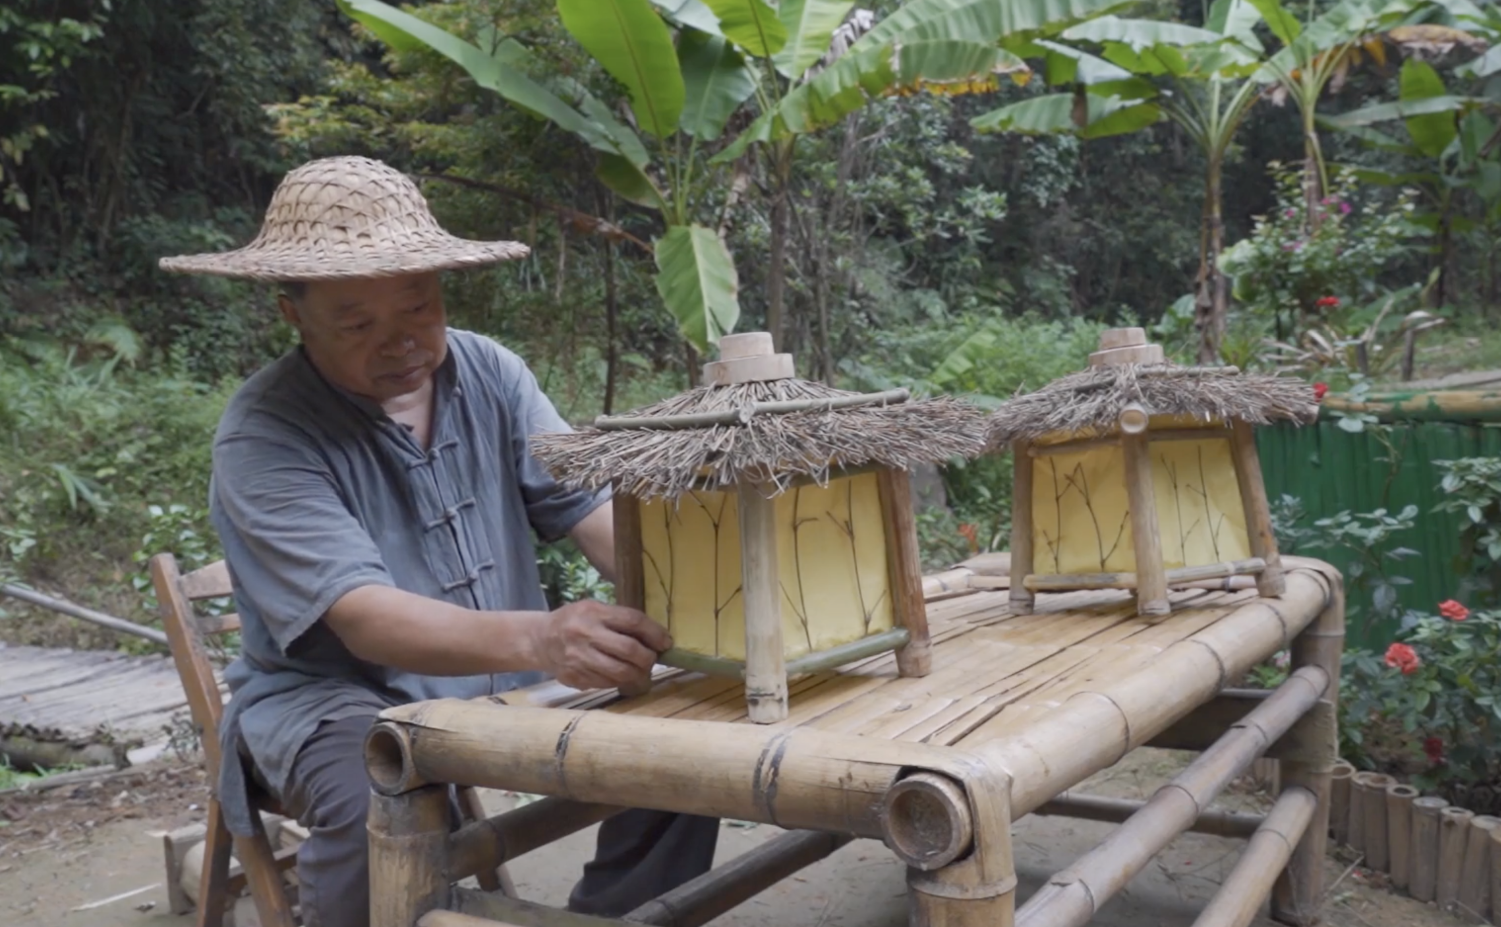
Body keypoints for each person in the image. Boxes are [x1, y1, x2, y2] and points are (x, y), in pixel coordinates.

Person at [159, 155, 719, 927]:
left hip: (501, 678)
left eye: (418, 308)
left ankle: (619, 915)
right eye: (358, 323)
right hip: (328, 701)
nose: (400, 343)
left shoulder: (489, 370)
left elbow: (586, 506)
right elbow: (364, 616)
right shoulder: (264, 432)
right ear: (293, 314)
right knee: (377, 782)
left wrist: (701, 599)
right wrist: (546, 636)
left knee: (691, 731)